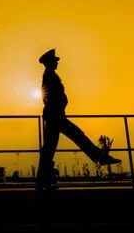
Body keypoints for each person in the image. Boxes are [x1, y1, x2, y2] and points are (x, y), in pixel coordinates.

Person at [37, 49, 120, 190]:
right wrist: (59, 105)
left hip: (55, 115)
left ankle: (43, 181)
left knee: (51, 148)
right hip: (55, 116)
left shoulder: (50, 76)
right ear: (49, 62)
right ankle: (100, 157)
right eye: (55, 60)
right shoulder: (50, 76)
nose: (57, 62)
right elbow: (48, 97)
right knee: (74, 137)